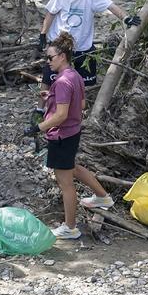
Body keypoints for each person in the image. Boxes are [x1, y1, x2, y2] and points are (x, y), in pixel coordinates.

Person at [25, 32, 114, 240]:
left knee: (65, 182)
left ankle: (70, 227)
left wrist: (38, 128)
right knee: (72, 167)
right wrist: (52, 96)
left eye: (50, 58)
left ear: (62, 56)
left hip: (62, 136)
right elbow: (80, 104)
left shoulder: (63, 82)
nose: (48, 62)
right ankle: (103, 197)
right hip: (73, 132)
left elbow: (61, 115)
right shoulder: (74, 76)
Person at [38, 0, 141, 93]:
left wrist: (126, 18)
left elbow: (111, 6)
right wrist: (43, 34)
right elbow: (50, 14)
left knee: (85, 83)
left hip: (82, 45)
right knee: (49, 79)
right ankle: (40, 109)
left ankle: (80, 108)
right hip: (59, 43)